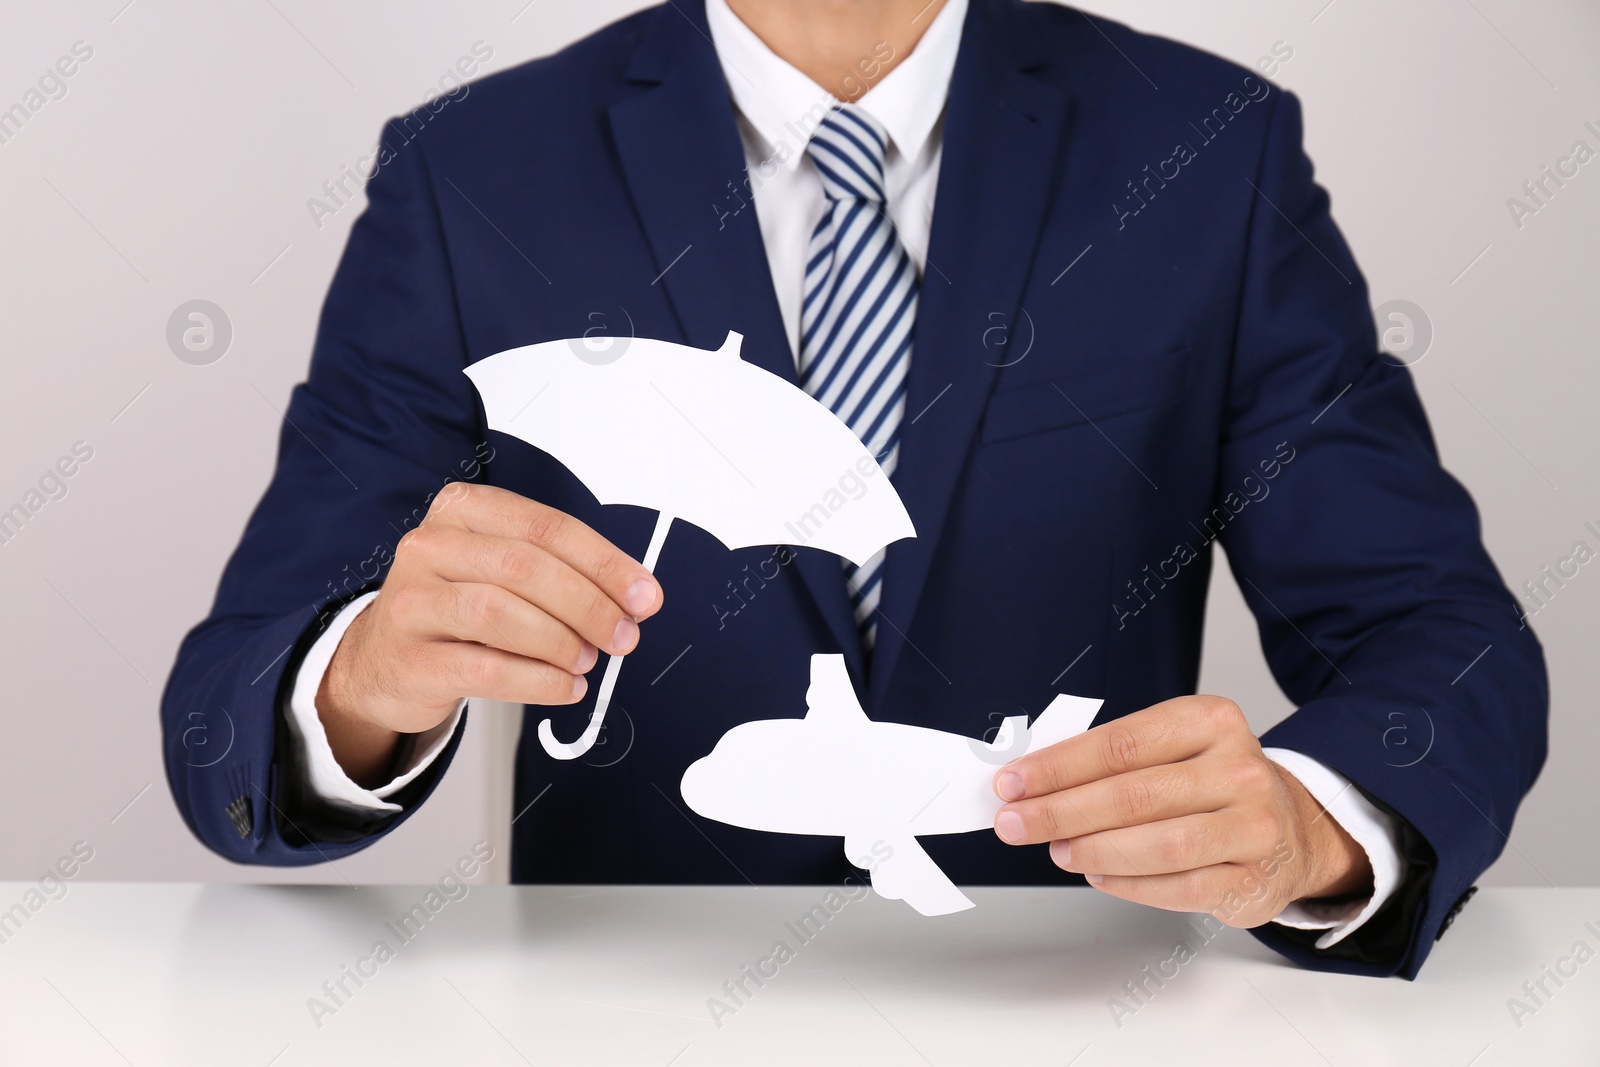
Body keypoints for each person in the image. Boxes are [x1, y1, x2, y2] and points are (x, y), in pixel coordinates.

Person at [161, 0, 1547, 979]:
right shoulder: (470, 172)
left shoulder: (1209, 154)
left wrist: (1317, 823)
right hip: (612, 1017)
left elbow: (1438, 634)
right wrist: (361, 683)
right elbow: (232, 697)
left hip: (1075, 1013)